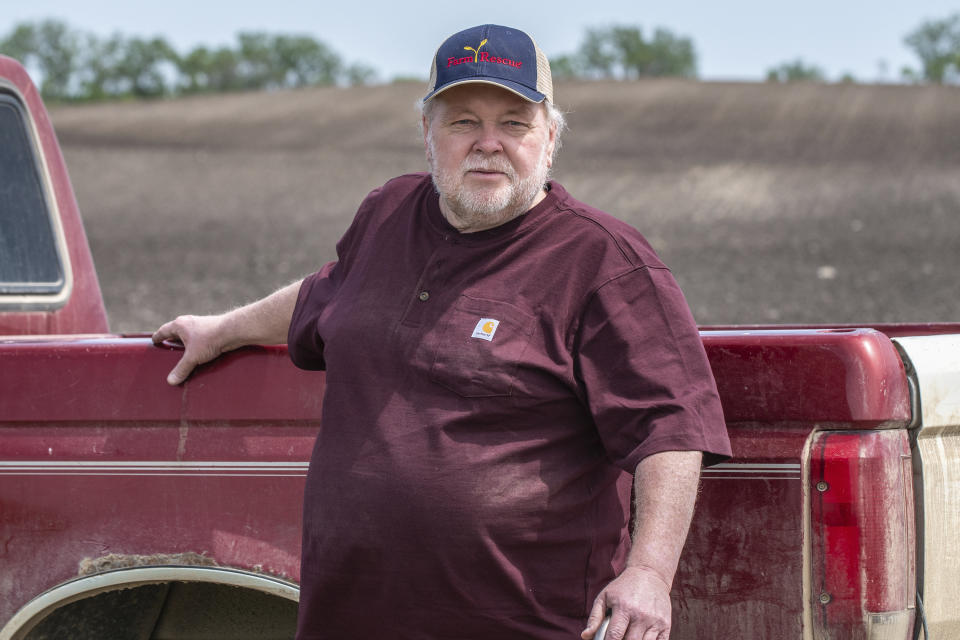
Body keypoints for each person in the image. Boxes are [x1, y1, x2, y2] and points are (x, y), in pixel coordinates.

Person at [153, 24, 731, 640]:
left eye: (514, 123)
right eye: (462, 122)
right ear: (427, 134)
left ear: (551, 137)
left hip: (525, 622)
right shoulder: (387, 214)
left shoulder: (604, 262)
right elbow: (329, 292)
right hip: (348, 614)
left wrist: (648, 572)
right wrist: (222, 330)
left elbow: (670, 428)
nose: (489, 144)